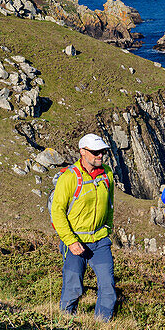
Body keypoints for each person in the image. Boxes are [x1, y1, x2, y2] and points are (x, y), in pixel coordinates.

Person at [50, 133, 117, 320]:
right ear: (82, 152)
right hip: (76, 241)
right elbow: (58, 212)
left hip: (100, 240)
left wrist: (107, 228)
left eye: (102, 152)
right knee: (73, 287)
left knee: (108, 287)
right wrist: (71, 241)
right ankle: (65, 325)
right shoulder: (70, 177)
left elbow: (110, 204)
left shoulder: (107, 174)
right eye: (96, 152)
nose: (100, 156)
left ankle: (102, 327)